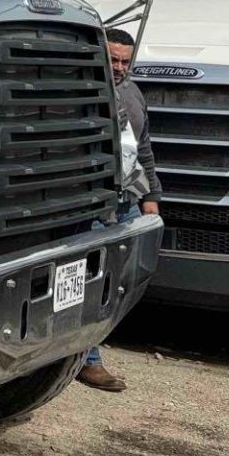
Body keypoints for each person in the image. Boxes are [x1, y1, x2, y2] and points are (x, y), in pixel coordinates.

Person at [79, 27, 162, 392]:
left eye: (125, 61)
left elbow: (144, 149)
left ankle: (84, 353)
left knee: (118, 286)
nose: (118, 67)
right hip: (90, 206)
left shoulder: (132, 92)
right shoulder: (82, 90)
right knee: (87, 283)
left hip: (128, 203)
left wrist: (151, 197)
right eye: (112, 59)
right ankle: (87, 360)